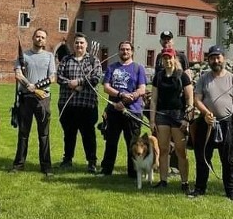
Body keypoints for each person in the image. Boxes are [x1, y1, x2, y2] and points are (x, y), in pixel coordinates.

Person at [190, 45, 233, 201]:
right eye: (212, 58)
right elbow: (197, 100)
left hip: (227, 124)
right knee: (203, 157)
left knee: (229, 160)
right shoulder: (204, 79)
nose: (215, 60)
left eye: (218, 57)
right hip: (207, 123)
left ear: (223, 58)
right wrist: (205, 113)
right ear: (208, 60)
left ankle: (230, 191)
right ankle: (199, 189)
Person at [99, 41, 147, 178]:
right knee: (111, 141)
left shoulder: (138, 68)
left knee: (133, 144)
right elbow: (106, 87)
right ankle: (106, 170)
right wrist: (120, 95)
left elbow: (142, 88)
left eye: (127, 49)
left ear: (132, 51)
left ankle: (133, 173)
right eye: (122, 49)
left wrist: (130, 98)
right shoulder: (112, 68)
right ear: (118, 51)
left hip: (132, 111)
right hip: (114, 110)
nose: (124, 52)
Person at [13, 28, 57, 176]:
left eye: (43, 37)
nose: (40, 39)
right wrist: (28, 86)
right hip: (26, 98)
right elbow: (18, 75)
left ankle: (46, 166)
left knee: (44, 134)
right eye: (37, 36)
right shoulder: (23, 56)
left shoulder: (50, 56)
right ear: (33, 38)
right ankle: (18, 164)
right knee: (23, 133)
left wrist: (36, 86)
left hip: (43, 99)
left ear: (45, 40)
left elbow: (52, 78)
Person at [148, 47, 193, 192]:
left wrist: (187, 119)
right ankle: (163, 180)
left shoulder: (182, 76)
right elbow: (154, 99)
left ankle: (184, 182)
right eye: (164, 58)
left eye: (169, 58)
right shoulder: (159, 76)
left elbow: (189, 99)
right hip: (162, 115)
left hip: (178, 115)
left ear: (174, 59)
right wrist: (152, 120)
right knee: (163, 149)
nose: (167, 61)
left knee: (180, 150)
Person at [56, 33, 103, 173]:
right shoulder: (66, 59)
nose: (79, 45)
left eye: (82, 43)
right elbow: (58, 77)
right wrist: (71, 84)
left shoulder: (94, 61)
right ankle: (67, 159)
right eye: (77, 43)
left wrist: (80, 82)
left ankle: (92, 162)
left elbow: (96, 78)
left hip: (87, 105)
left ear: (86, 45)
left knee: (88, 135)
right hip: (68, 104)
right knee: (69, 134)